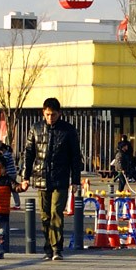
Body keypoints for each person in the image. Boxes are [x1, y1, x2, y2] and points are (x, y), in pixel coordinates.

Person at [20, 97, 82, 261]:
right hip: (41, 177)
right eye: (47, 114)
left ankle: (56, 249)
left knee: (56, 212)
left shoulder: (68, 130)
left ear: (59, 113)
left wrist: (75, 180)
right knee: (45, 215)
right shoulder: (35, 128)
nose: (50, 118)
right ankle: (48, 247)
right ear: (43, 112)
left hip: (60, 178)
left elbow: (76, 157)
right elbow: (28, 153)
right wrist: (24, 177)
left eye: (53, 115)